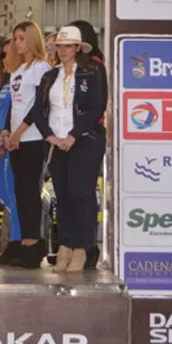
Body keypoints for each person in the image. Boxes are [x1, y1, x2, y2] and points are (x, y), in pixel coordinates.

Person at [31, 26, 107, 273]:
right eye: (59, 47)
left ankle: (82, 249)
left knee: (81, 195)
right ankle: (64, 246)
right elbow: (38, 110)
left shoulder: (92, 73)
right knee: (62, 196)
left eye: (67, 46)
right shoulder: (49, 77)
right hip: (56, 143)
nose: (62, 51)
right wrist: (50, 136)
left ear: (77, 48)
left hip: (84, 141)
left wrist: (74, 135)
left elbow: (96, 107)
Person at [1, 20, 52, 268]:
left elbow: (39, 106)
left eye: (21, 38)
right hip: (17, 140)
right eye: (15, 38)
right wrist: (7, 131)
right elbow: (15, 104)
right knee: (20, 193)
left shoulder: (42, 68)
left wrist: (20, 132)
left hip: (33, 139)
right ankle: (25, 243)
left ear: (32, 39)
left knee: (31, 192)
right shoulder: (17, 71)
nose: (17, 43)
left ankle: (33, 244)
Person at [67, 19, 107, 269]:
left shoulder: (96, 66)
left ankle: (89, 247)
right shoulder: (67, 68)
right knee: (72, 193)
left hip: (90, 134)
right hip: (69, 135)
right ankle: (73, 245)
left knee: (85, 192)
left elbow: (97, 104)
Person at [0, 39, 23, 266]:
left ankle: (18, 244)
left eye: (6, 54)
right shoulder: (6, 81)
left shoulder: (23, 78)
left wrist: (12, 136)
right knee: (6, 196)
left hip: (19, 144)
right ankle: (12, 243)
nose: (2, 60)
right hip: (3, 144)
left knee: (17, 196)